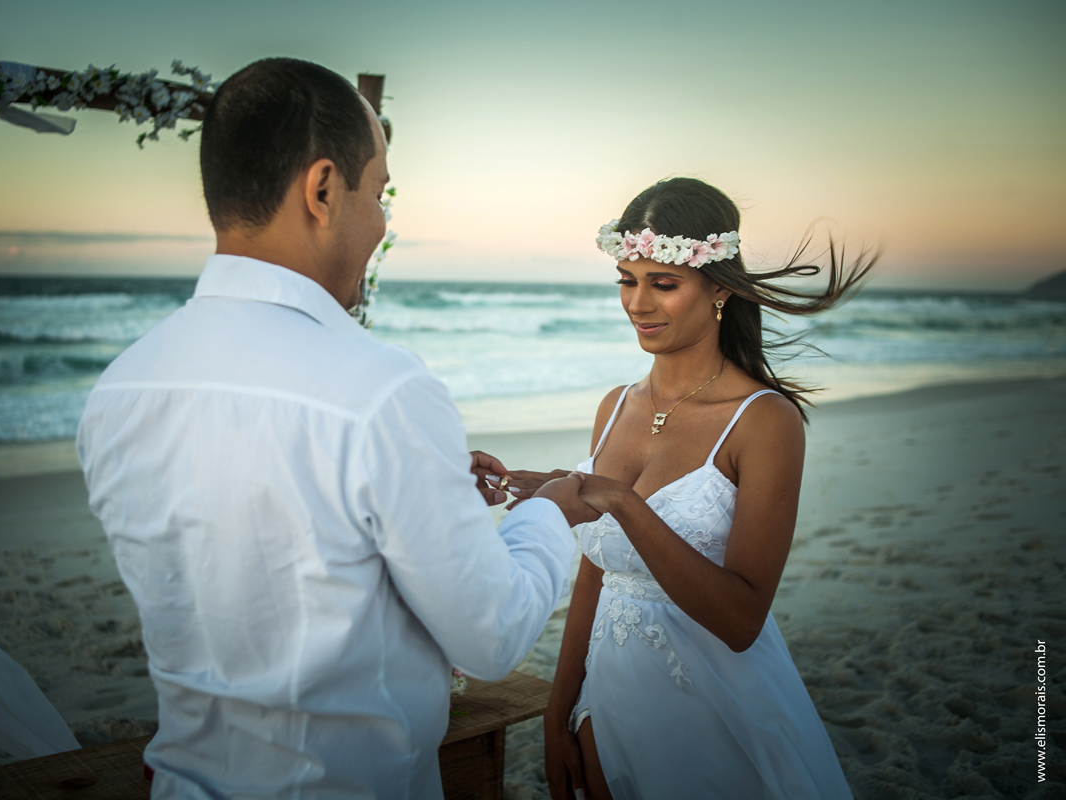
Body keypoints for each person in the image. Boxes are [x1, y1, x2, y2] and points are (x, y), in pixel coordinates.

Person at [76, 58, 597, 800]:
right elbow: (491, 637)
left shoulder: (121, 388)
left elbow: (264, 555)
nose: (384, 222)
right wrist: (551, 512)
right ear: (322, 190)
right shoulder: (381, 392)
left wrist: (429, 494)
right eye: (380, 193)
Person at [499, 178, 874, 799]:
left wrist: (619, 501)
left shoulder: (762, 420)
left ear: (720, 287)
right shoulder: (615, 405)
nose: (637, 303)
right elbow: (595, 570)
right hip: (608, 701)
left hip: (716, 713)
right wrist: (557, 711)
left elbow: (741, 619)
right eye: (626, 278)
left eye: (663, 284)